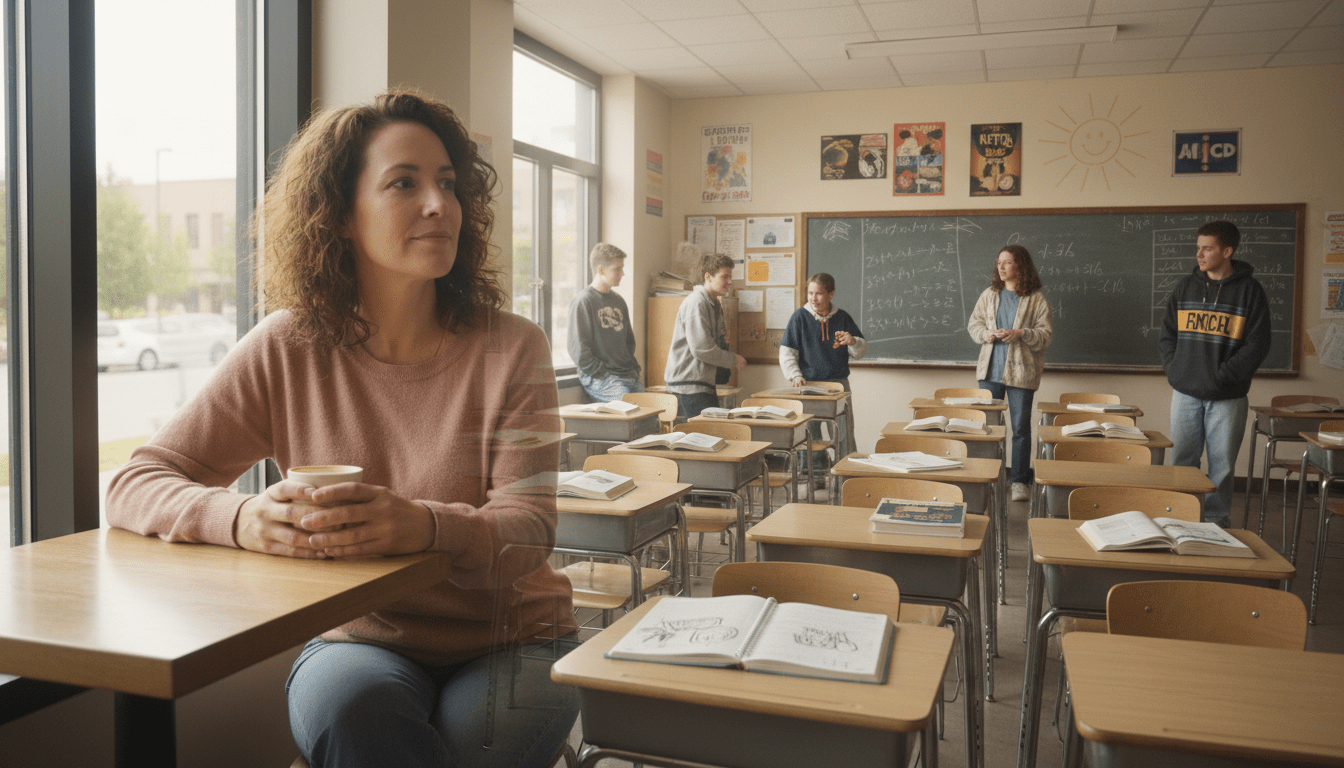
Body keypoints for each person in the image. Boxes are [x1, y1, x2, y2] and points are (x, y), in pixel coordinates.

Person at [106, 91, 579, 768]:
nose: (440, 204)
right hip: (359, 643)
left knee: (456, 745)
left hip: (518, 639)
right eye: (403, 183)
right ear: (341, 216)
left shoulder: (514, 347)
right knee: (361, 713)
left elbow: (530, 529)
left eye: (448, 183)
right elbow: (134, 483)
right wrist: (240, 519)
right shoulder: (286, 346)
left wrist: (424, 527)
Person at [1159, 220, 1271, 528]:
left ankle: (1216, 522)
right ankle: (1181, 516)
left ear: (1227, 251)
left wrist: (1223, 377)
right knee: (1182, 460)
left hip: (1228, 398)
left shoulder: (1250, 292)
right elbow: (1167, 335)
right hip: (1185, 392)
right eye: (1198, 248)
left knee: (1221, 465)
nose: (1200, 254)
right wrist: (1175, 368)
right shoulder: (1185, 287)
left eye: (1207, 248)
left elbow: (1257, 345)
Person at [967, 245, 1053, 502]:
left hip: (1022, 373)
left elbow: (1046, 335)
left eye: (1007, 263)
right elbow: (974, 325)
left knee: (1020, 429)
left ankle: (1018, 481)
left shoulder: (1036, 298)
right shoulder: (990, 295)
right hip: (989, 370)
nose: (1001, 267)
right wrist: (987, 335)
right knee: (988, 429)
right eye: (999, 263)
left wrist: (1021, 333)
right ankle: (988, 476)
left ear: (1020, 266)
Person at [779, 272, 867, 459]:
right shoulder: (799, 318)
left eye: (819, 293)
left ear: (831, 294)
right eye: (810, 293)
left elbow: (860, 352)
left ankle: (844, 472)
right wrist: (795, 375)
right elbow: (787, 353)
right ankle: (815, 474)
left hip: (838, 385)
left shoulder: (842, 318)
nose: (813, 298)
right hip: (808, 385)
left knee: (844, 431)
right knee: (810, 433)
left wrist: (852, 342)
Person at [664, 245, 747, 418]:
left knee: (712, 433)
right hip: (689, 386)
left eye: (730, 277)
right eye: (725, 277)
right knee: (707, 435)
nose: (730, 282)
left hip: (700, 384)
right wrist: (733, 359)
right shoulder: (697, 303)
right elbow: (703, 349)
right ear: (708, 277)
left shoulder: (714, 303)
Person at [568, 242, 642, 401]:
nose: (622, 273)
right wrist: (602, 373)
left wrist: (633, 369)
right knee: (631, 409)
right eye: (617, 269)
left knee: (651, 417)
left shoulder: (619, 301)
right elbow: (578, 350)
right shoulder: (584, 301)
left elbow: (629, 342)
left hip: (627, 373)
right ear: (601, 270)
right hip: (601, 377)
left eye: (622, 268)